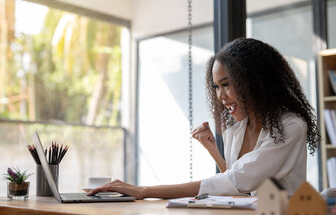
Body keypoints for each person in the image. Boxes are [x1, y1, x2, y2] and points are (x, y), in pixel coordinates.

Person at [88, 37, 319, 199]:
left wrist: (144, 191)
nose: (221, 96)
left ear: (254, 80)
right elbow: (238, 184)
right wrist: (213, 151)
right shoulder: (237, 128)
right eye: (216, 87)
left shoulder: (290, 127)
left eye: (226, 84)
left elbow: (237, 181)